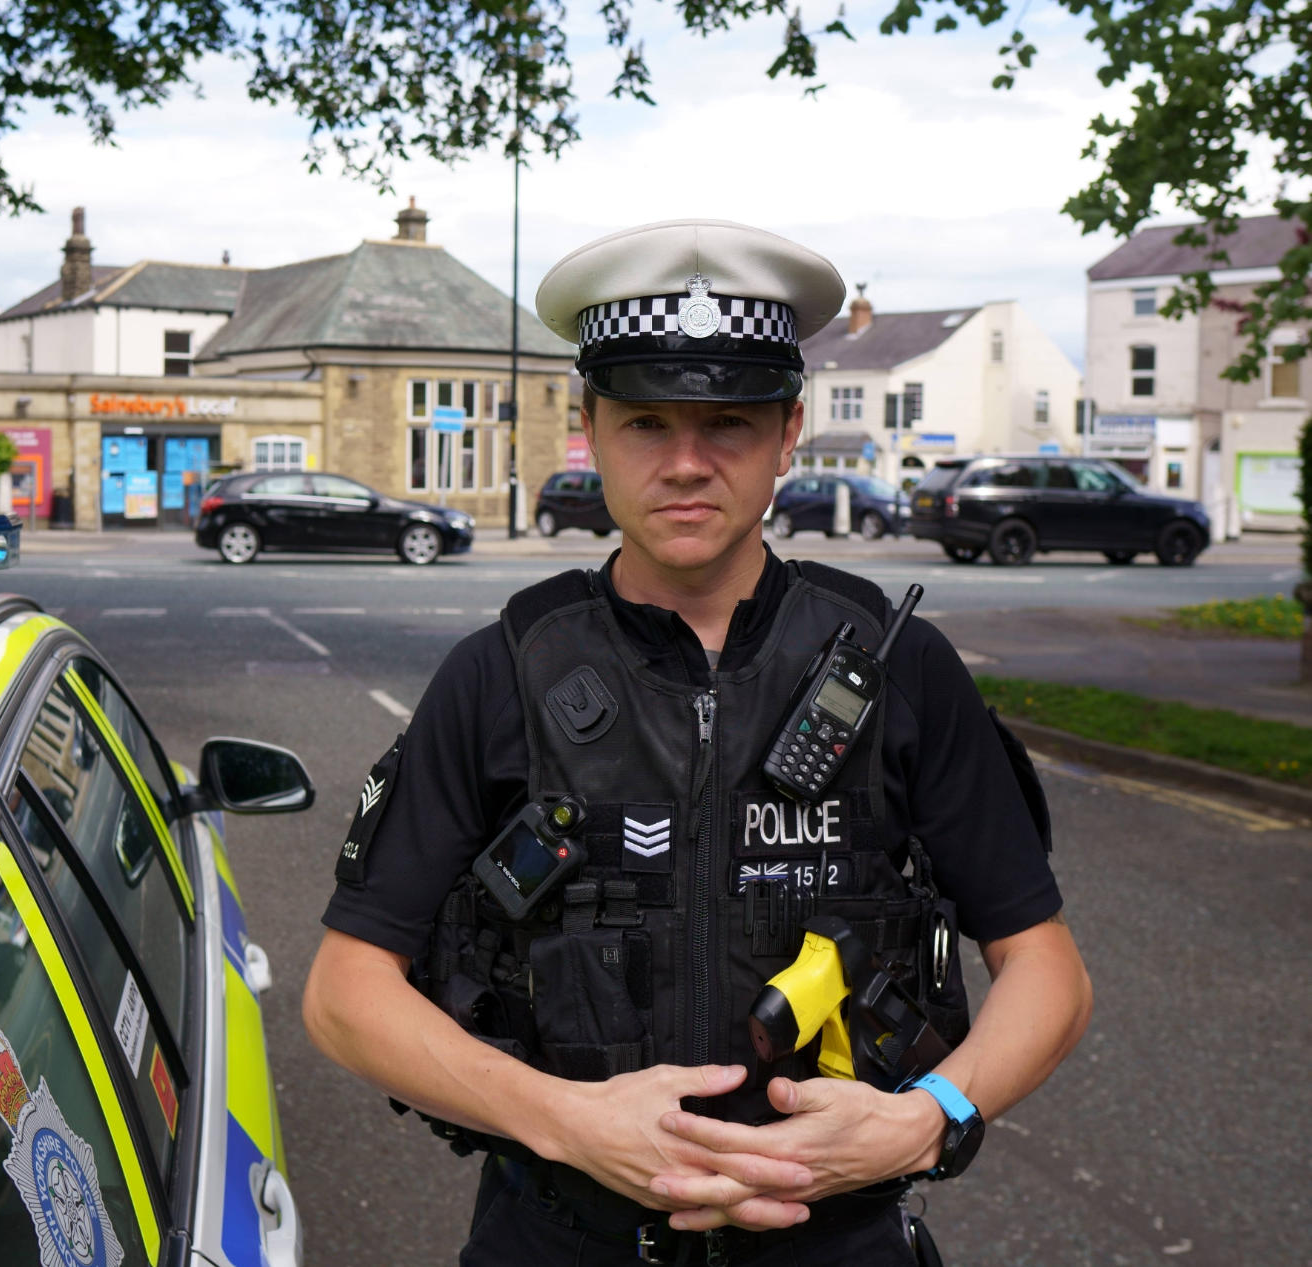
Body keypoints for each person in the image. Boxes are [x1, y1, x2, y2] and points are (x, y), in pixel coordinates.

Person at [303, 219, 1092, 1265]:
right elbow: (345, 994)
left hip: (838, 1243)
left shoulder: (899, 669)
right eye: (644, 423)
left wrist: (927, 1113)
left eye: (726, 422)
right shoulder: (500, 673)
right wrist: (563, 1119)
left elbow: (1047, 970)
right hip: (557, 1236)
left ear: (788, 432)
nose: (684, 463)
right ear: (586, 427)